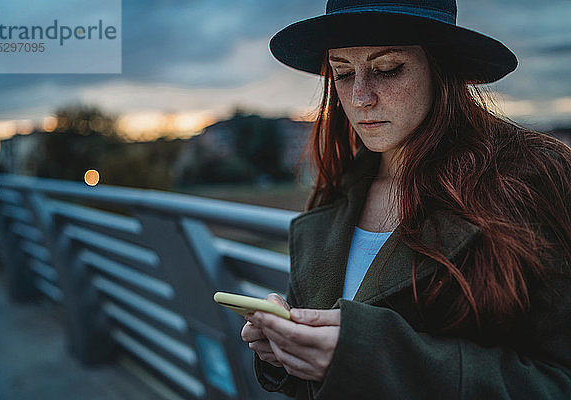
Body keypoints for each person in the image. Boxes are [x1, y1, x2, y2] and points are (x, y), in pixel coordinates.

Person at [241, 0, 571, 398]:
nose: (360, 98)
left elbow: (557, 379)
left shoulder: (530, 179)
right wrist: (287, 350)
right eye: (343, 73)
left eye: (387, 69)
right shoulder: (336, 192)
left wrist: (372, 356)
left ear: (440, 67)